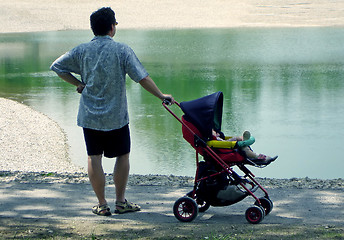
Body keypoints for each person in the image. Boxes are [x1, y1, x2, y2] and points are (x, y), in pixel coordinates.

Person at [50, 7, 174, 216]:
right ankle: (120, 201)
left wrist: (79, 83)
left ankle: (101, 204)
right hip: (116, 116)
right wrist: (161, 96)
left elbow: (57, 66)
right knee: (123, 155)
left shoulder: (81, 50)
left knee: (94, 157)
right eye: (115, 24)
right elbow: (142, 78)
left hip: (90, 115)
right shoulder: (122, 50)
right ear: (111, 27)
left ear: (93, 29)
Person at [212, 129, 278, 165]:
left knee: (243, 146)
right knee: (243, 147)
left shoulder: (215, 138)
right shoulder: (213, 140)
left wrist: (219, 134)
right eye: (213, 131)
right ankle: (258, 157)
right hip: (225, 148)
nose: (215, 132)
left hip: (226, 147)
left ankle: (244, 141)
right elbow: (224, 143)